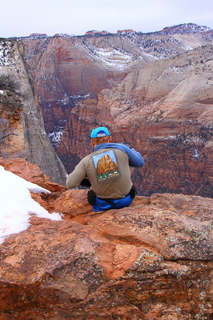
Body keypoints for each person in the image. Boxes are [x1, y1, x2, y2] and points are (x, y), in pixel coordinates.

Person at [66, 126, 144, 211]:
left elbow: (70, 183)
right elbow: (140, 163)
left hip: (102, 204)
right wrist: (128, 148)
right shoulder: (122, 149)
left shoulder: (86, 160)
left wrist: (87, 182)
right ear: (110, 139)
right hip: (126, 201)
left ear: (92, 142)